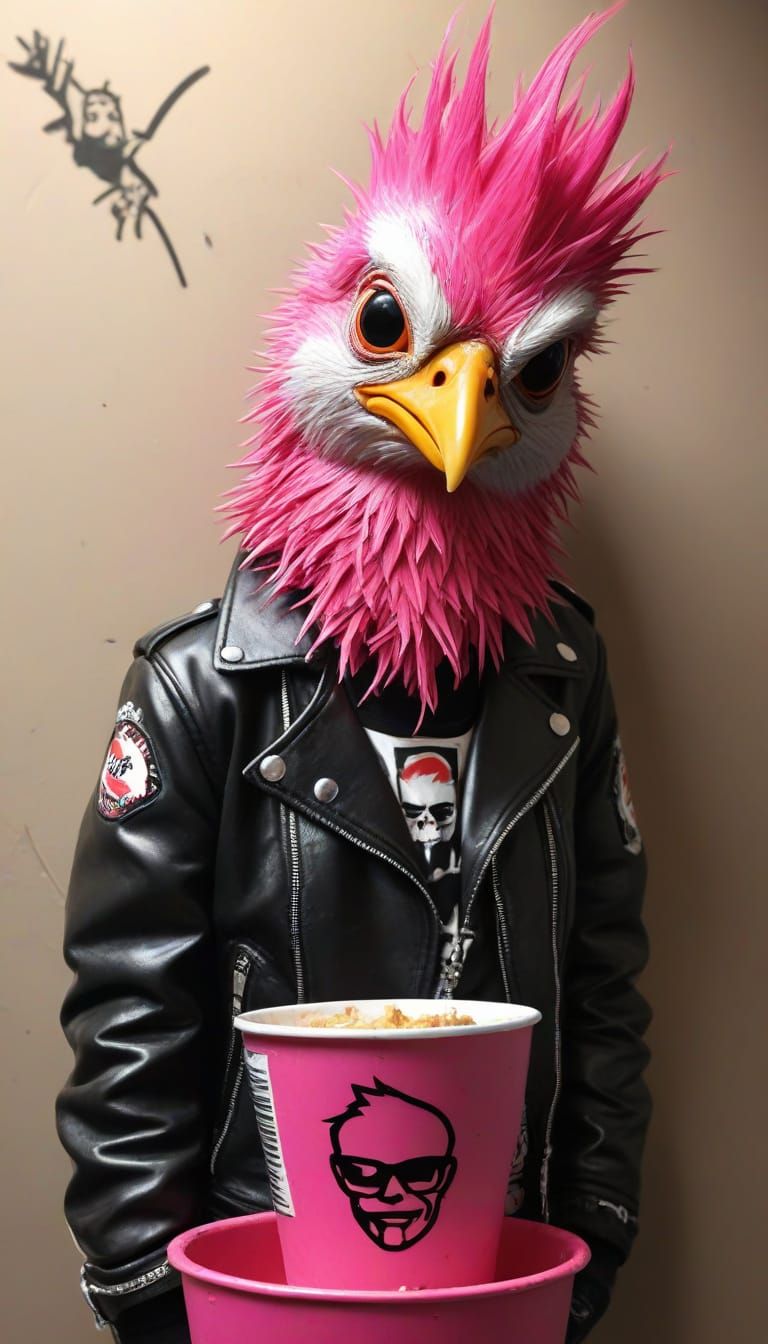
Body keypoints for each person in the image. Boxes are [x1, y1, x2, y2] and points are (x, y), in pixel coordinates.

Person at [56, 11, 664, 1342]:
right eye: (394, 325)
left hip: (506, 1263)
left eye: (529, 371)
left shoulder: (564, 680)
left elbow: (604, 980)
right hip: (261, 1263)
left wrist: (594, 1237)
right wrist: (154, 1293)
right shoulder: (200, 689)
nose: (461, 407)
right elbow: (129, 1014)